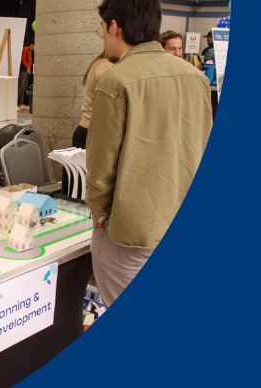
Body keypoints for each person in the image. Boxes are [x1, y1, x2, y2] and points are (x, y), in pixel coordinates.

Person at [88, 0, 213, 306]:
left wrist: (100, 215)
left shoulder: (115, 81)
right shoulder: (196, 77)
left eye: (102, 29)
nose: (103, 38)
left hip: (132, 232)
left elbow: (101, 167)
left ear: (114, 27)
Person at [62, 50, 115, 196]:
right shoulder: (107, 67)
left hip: (90, 132)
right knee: (85, 195)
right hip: (92, 134)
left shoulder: (102, 63)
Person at [18, 40, 34, 109]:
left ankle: (21, 103)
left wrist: (30, 66)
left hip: (26, 70)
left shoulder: (30, 51)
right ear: (31, 44)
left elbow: (29, 61)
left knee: (24, 87)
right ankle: (14, 103)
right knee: (20, 87)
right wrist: (27, 67)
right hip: (22, 70)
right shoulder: (25, 49)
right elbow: (23, 60)